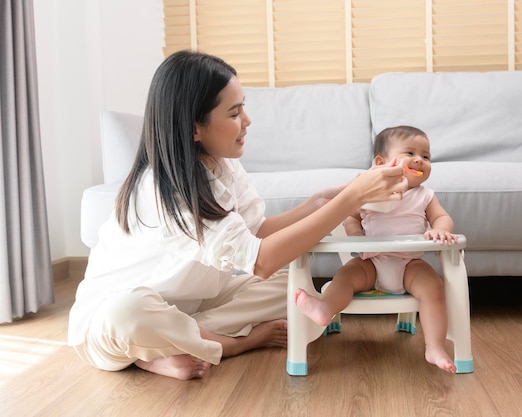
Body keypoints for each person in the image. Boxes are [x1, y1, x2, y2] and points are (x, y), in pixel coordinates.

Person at [67, 51, 408, 380]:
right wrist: (351, 199)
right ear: (194, 128)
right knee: (127, 313)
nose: (247, 121)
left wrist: (319, 203)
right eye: (233, 114)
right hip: (112, 322)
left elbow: (255, 233)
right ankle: (231, 345)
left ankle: (170, 346)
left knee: (291, 286)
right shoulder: (164, 190)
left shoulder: (223, 163)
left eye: (243, 108)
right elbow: (260, 260)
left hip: (193, 307)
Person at [295, 125, 459, 373]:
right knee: (346, 276)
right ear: (382, 162)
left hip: (409, 266)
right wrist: (356, 235)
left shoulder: (425, 195)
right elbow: (349, 215)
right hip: (372, 262)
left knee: (434, 288)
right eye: (411, 153)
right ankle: (324, 308)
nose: (420, 160)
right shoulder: (369, 193)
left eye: (426, 156)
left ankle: (434, 346)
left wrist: (441, 229)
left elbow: (442, 217)